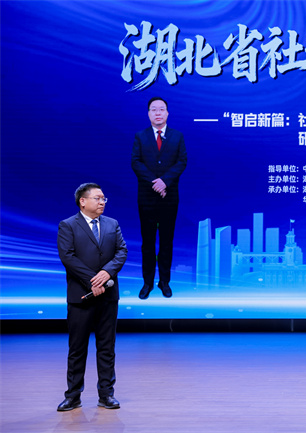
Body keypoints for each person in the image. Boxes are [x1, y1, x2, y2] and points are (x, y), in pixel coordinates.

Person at [57, 183, 128, 411]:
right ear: (83, 201)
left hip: (108, 297)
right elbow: (68, 257)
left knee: (107, 347)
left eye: (104, 198)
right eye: (97, 198)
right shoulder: (68, 225)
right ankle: (73, 396)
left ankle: (106, 394)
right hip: (81, 297)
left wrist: (107, 272)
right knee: (77, 349)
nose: (102, 202)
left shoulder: (112, 224)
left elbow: (122, 251)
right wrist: (93, 281)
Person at [132, 97, 187, 299]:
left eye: (161, 109)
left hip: (169, 198)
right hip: (146, 198)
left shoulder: (177, 136)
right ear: (148, 114)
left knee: (166, 242)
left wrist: (165, 182)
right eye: (153, 109)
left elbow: (182, 162)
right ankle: (147, 283)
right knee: (147, 243)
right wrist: (155, 183)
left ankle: (164, 282)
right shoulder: (140, 136)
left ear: (167, 113)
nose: (157, 113)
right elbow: (136, 162)